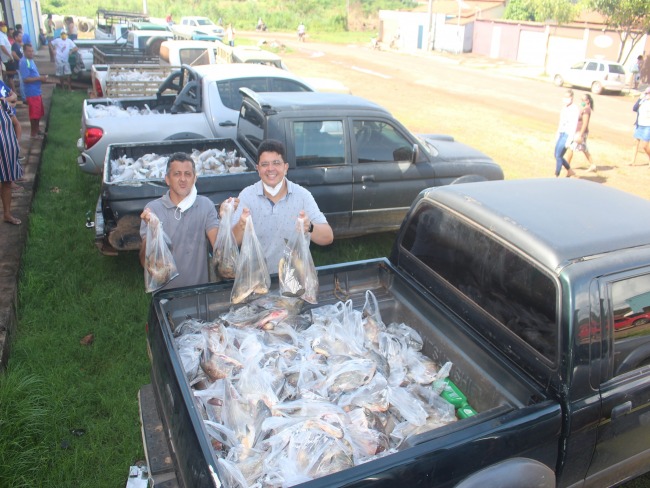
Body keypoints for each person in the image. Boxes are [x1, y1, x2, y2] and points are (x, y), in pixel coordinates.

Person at [231, 139, 333, 273]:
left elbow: (327, 237)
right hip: (256, 282)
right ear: (258, 169)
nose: (270, 169)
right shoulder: (247, 196)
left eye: (276, 163)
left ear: (285, 167)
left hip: (295, 281)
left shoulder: (302, 195)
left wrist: (310, 227)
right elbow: (231, 244)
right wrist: (241, 225)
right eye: (265, 164)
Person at [139, 152, 220, 291]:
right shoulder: (153, 209)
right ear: (167, 179)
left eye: (188, 174)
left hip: (199, 292)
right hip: (165, 295)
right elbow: (144, 262)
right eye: (177, 174)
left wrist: (227, 218)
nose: (183, 179)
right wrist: (152, 229)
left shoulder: (206, 205)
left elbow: (219, 245)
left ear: (194, 178)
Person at [0, 78, 23, 225]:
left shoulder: (3, 104)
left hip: (8, 152)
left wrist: (16, 143)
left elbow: (17, 124)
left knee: (7, 183)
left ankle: (7, 214)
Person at [18, 43, 48, 139]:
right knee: (34, 113)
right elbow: (25, 79)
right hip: (31, 92)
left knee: (38, 112)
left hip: (36, 91)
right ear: (24, 51)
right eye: (29, 51)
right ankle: (33, 133)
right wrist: (40, 78)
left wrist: (40, 78)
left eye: (32, 51)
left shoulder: (30, 60)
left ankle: (37, 129)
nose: (31, 53)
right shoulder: (24, 62)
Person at [565, 94, 596, 172]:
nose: (581, 101)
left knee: (571, 147)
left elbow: (585, 123)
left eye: (583, 100)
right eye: (581, 100)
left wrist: (581, 134)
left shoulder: (586, 110)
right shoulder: (584, 109)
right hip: (578, 132)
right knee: (584, 149)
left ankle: (566, 165)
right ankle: (592, 165)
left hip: (580, 132)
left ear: (587, 101)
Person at [553, 89, 579, 177]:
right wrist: (558, 132)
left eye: (567, 97)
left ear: (571, 98)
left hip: (567, 134)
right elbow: (561, 122)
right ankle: (569, 170)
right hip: (562, 133)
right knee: (556, 155)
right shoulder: (564, 108)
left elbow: (573, 125)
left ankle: (556, 174)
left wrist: (569, 139)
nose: (565, 99)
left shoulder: (574, 109)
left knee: (558, 155)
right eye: (565, 97)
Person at [632, 87, 650, 166]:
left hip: (647, 125)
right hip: (639, 124)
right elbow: (634, 108)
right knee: (635, 142)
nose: (647, 94)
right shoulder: (643, 100)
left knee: (645, 146)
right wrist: (640, 98)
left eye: (648, 93)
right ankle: (632, 161)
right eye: (646, 93)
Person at [0, 23, 13, 89]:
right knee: (10, 75)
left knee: (11, 76)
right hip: (6, 58)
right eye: (2, 26)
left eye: (5, 26)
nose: (4, 27)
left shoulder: (3, 34)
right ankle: (13, 91)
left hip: (8, 57)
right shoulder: (0, 35)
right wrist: (9, 55)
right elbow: (2, 47)